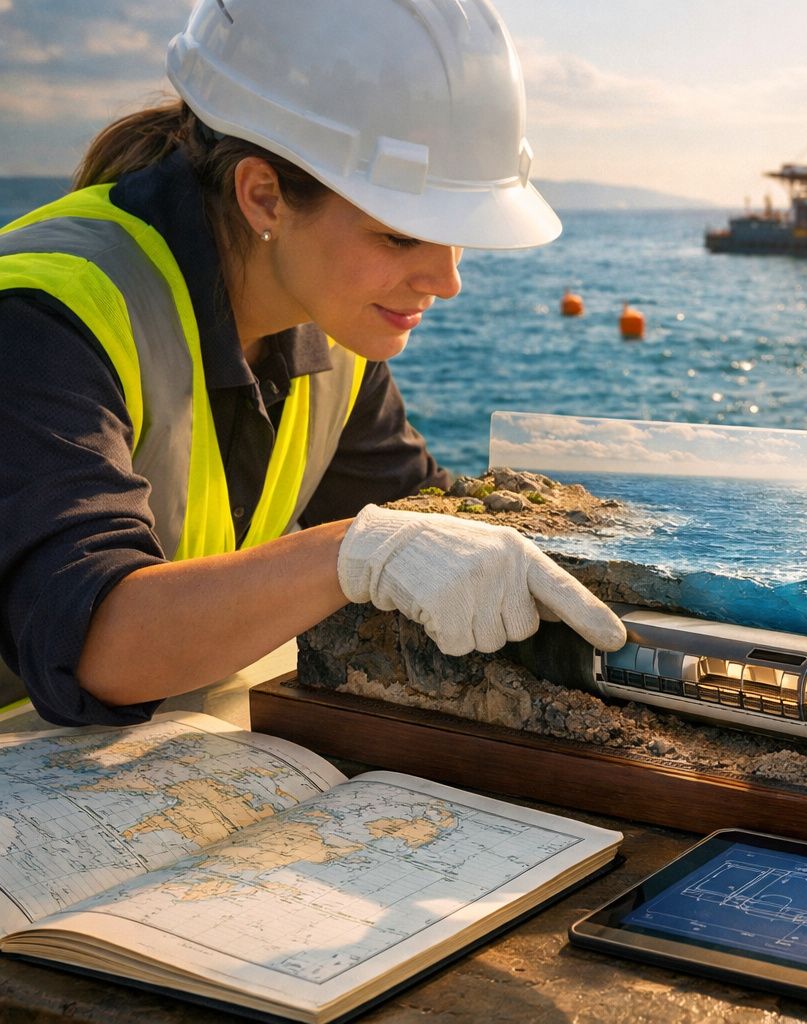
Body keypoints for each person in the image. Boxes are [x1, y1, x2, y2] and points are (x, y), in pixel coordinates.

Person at [0, 0, 625, 727]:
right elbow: (97, 647)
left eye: (454, 233)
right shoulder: (44, 319)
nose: (447, 280)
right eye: (399, 236)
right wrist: (350, 556)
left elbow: (418, 520)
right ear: (263, 196)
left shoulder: (331, 332)